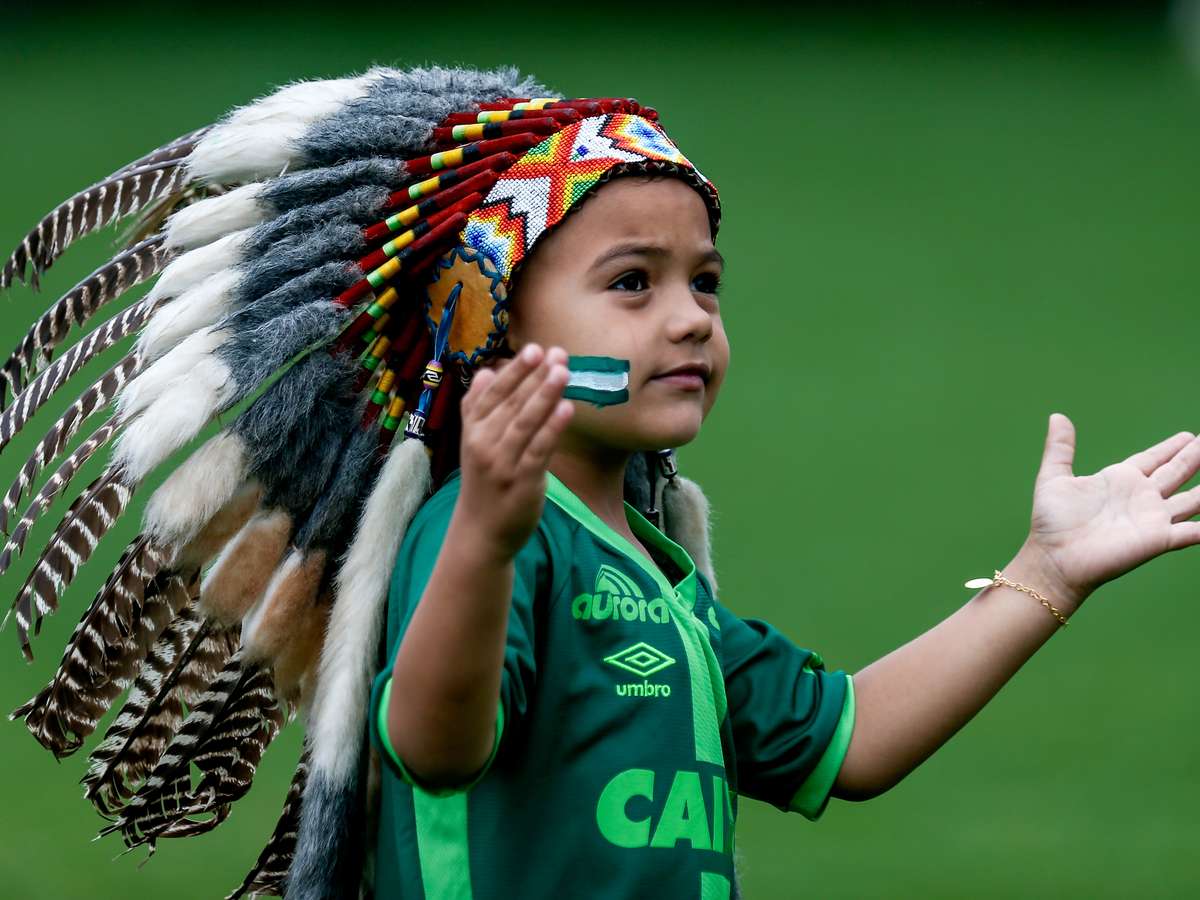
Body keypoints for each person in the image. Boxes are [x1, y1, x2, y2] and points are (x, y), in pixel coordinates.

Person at [2, 65, 1198, 900]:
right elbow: (433, 742)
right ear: (493, 318)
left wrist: (1046, 576)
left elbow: (851, 739)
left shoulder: (663, 577)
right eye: (632, 283)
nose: (689, 318)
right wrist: (481, 536)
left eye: (706, 283)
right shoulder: (481, 537)